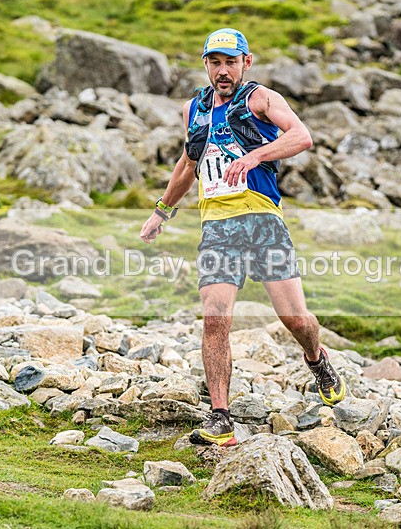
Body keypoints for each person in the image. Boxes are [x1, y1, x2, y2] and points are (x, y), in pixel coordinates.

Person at [139, 28, 346, 447]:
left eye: (230, 62)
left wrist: (255, 155)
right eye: (215, 62)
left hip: (262, 220)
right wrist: (161, 211)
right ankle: (221, 419)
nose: (223, 71)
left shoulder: (260, 98)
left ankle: (316, 357)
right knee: (216, 317)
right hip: (217, 227)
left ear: (245, 63)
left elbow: (301, 136)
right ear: (206, 65)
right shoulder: (192, 110)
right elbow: (187, 165)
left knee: (296, 321)